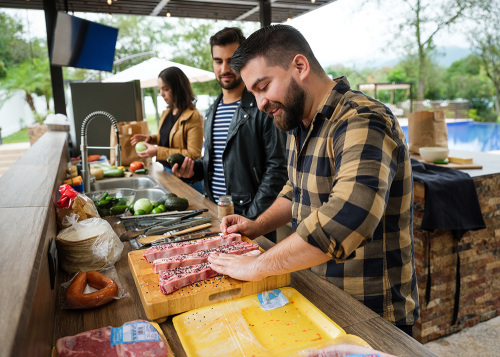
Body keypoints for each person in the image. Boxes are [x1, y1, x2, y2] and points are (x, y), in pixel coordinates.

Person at [208, 25, 419, 335]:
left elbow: (346, 219)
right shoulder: (297, 122)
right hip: (318, 301)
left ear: (300, 66)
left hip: (372, 315)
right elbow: (296, 190)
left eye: (263, 86)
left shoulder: (362, 119)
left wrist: (256, 265)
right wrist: (257, 226)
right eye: (254, 93)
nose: (260, 103)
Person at [173, 27, 288, 240]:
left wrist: (252, 219)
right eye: (218, 61)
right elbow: (216, 161)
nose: (225, 68)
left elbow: (278, 169)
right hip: (216, 215)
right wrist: (194, 171)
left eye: (231, 59)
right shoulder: (212, 109)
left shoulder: (263, 106)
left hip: (253, 219)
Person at [131, 66, 204, 193]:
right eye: (160, 89)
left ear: (178, 89)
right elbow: (167, 137)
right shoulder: (167, 112)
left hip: (185, 178)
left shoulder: (194, 116)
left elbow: (194, 154)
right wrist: (150, 138)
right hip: (166, 172)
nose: (161, 94)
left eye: (166, 89)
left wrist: (158, 151)